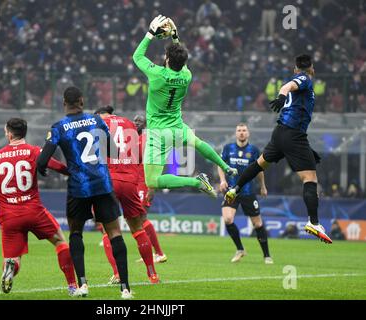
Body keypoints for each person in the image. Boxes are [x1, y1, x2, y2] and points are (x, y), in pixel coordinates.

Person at [225, 54, 333, 244]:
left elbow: (289, 86)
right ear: (311, 68)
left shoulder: (300, 81)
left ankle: (235, 189)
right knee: (310, 179)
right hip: (294, 135)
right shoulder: (305, 79)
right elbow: (287, 86)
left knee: (259, 165)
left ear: (294, 68)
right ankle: (314, 222)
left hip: (280, 133)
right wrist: (282, 96)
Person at [37, 87, 133, 299]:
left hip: (79, 187)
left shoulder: (59, 127)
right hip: (102, 184)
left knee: (76, 233)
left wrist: (50, 169)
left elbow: (42, 161)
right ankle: (125, 288)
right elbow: (113, 151)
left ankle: (82, 285)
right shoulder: (96, 121)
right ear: (81, 100)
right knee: (115, 233)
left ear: (64, 102)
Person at [0, 118, 77, 295]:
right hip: (33, 211)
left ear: (9, 134)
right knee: (60, 242)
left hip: (9, 217)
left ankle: (10, 267)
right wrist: (73, 172)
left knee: (12, 257)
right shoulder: (34, 151)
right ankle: (72, 286)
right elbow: (56, 166)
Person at [132, 15, 237, 198]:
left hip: (158, 133)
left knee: (152, 181)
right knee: (197, 143)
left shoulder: (157, 75)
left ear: (166, 60)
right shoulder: (186, 75)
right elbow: (181, 59)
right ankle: (225, 166)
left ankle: (196, 182)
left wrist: (150, 33)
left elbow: (137, 56)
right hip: (178, 127)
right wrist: (175, 35)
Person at [95, 106, 159, 285]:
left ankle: (117, 274)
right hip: (130, 181)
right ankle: (152, 274)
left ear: (100, 115)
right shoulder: (129, 124)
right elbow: (140, 156)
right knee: (138, 228)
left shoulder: (99, 124)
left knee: (109, 229)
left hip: (109, 181)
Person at [218, 123, 272, 264]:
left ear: (248, 133)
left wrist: (263, 186)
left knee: (257, 224)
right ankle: (240, 249)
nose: (241, 133)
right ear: (236, 133)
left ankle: (267, 256)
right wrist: (222, 180)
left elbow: (259, 169)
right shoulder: (228, 148)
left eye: (244, 130)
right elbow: (220, 164)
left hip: (248, 191)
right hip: (232, 192)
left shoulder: (254, 150)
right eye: (239, 130)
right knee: (228, 219)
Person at [134, 114, 167, 264]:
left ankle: (159, 253)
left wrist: (152, 186)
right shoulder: (134, 139)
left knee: (141, 218)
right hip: (135, 183)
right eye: (135, 120)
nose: (136, 123)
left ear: (145, 124)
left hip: (144, 182)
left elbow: (157, 161)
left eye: (140, 121)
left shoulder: (148, 140)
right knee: (137, 220)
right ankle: (149, 253)